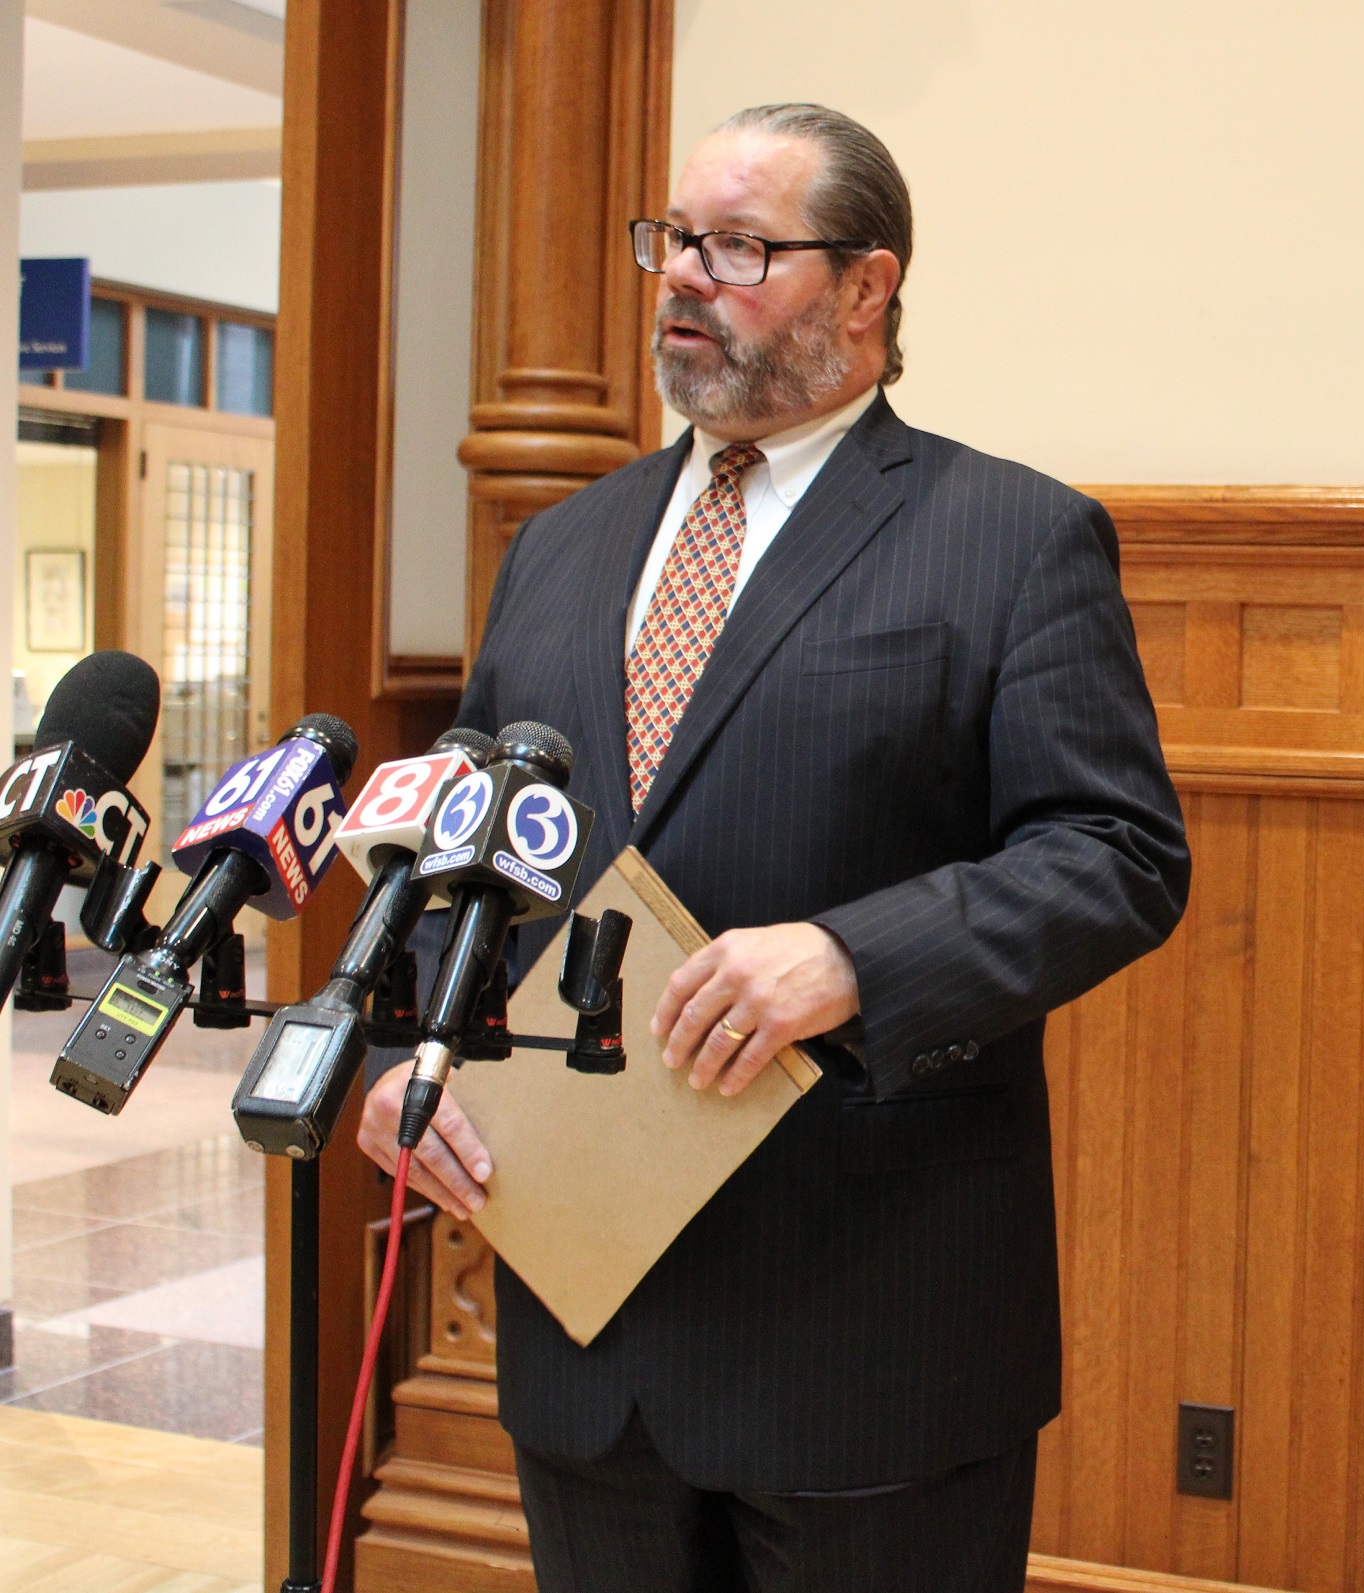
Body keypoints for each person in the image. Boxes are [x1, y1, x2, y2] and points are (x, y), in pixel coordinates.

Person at [356, 103, 1189, 1592]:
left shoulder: (1009, 535)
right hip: (589, 1337)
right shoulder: (560, 547)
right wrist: (397, 1059)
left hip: (866, 1333)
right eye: (670, 239)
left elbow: (1116, 854)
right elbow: (460, 849)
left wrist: (851, 958)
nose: (682, 276)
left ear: (867, 289)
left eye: (736, 245)